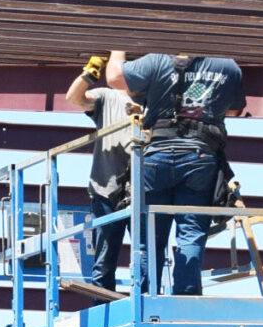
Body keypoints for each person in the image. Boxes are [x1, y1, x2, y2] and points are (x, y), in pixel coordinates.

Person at [103, 51, 247, 296]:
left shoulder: (156, 60)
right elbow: (234, 110)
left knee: (150, 237)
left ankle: (146, 296)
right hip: (200, 157)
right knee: (191, 233)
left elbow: (115, 77)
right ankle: (186, 296)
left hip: (155, 155)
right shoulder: (229, 66)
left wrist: (117, 50)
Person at [62, 64, 137, 292]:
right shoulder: (109, 97)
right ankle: (103, 310)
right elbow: (74, 98)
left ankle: (147, 307)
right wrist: (88, 75)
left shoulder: (156, 101)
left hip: (140, 193)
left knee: (146, 257)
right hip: (107, 190)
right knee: (104, 262)